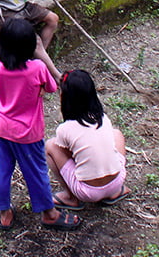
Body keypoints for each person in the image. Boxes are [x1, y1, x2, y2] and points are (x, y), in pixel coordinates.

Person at [0, 18, 82, 232]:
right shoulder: (37, 68)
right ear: (30, 46)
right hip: (27, 133)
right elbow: (50, 87)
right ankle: (49, 214)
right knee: (36, 172)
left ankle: (4, 212)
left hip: (1, 128)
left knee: (2, 171)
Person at [46, 69, 130, 209]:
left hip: (87, 192)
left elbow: (66, 152)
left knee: (51, 146)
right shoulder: (102, 118)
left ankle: (70, 197)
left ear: (64, 97)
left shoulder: (65, 129)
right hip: (117, 181)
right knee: (116, 134)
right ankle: (114, 192)